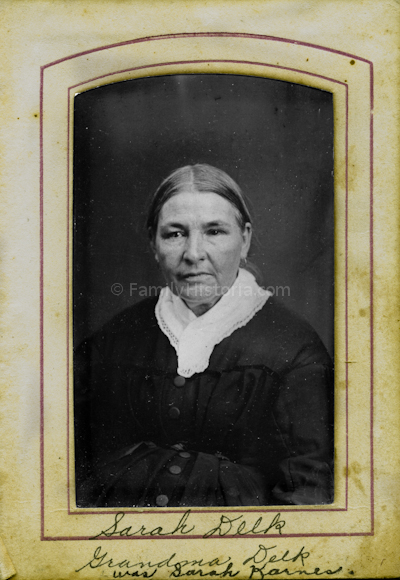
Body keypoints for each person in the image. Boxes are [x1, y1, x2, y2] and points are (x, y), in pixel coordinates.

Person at [74, 163, 334, 508]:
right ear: (153, 243)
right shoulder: (112, 341)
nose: (193, 253)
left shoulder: (294, 350)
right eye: (175, 234)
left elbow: (309, 496)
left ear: (244, 239)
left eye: (214, 231)